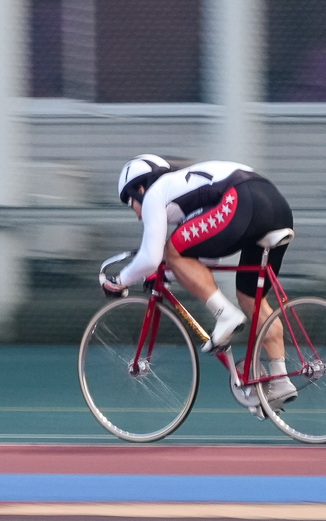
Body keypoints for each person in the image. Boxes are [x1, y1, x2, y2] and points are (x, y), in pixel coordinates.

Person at [107, 155, 297, 404]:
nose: (137, 216)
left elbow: (151, 258)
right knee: (251, 300)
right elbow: (206, 260)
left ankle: (225, 315)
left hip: (241, 199)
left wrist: (119, 281)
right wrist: (168, 273)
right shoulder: (188, 194)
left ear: (140, 188)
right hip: (275, 205)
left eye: (132, 204)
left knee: (171, 250)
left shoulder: (155, 192)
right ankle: (281, 379)